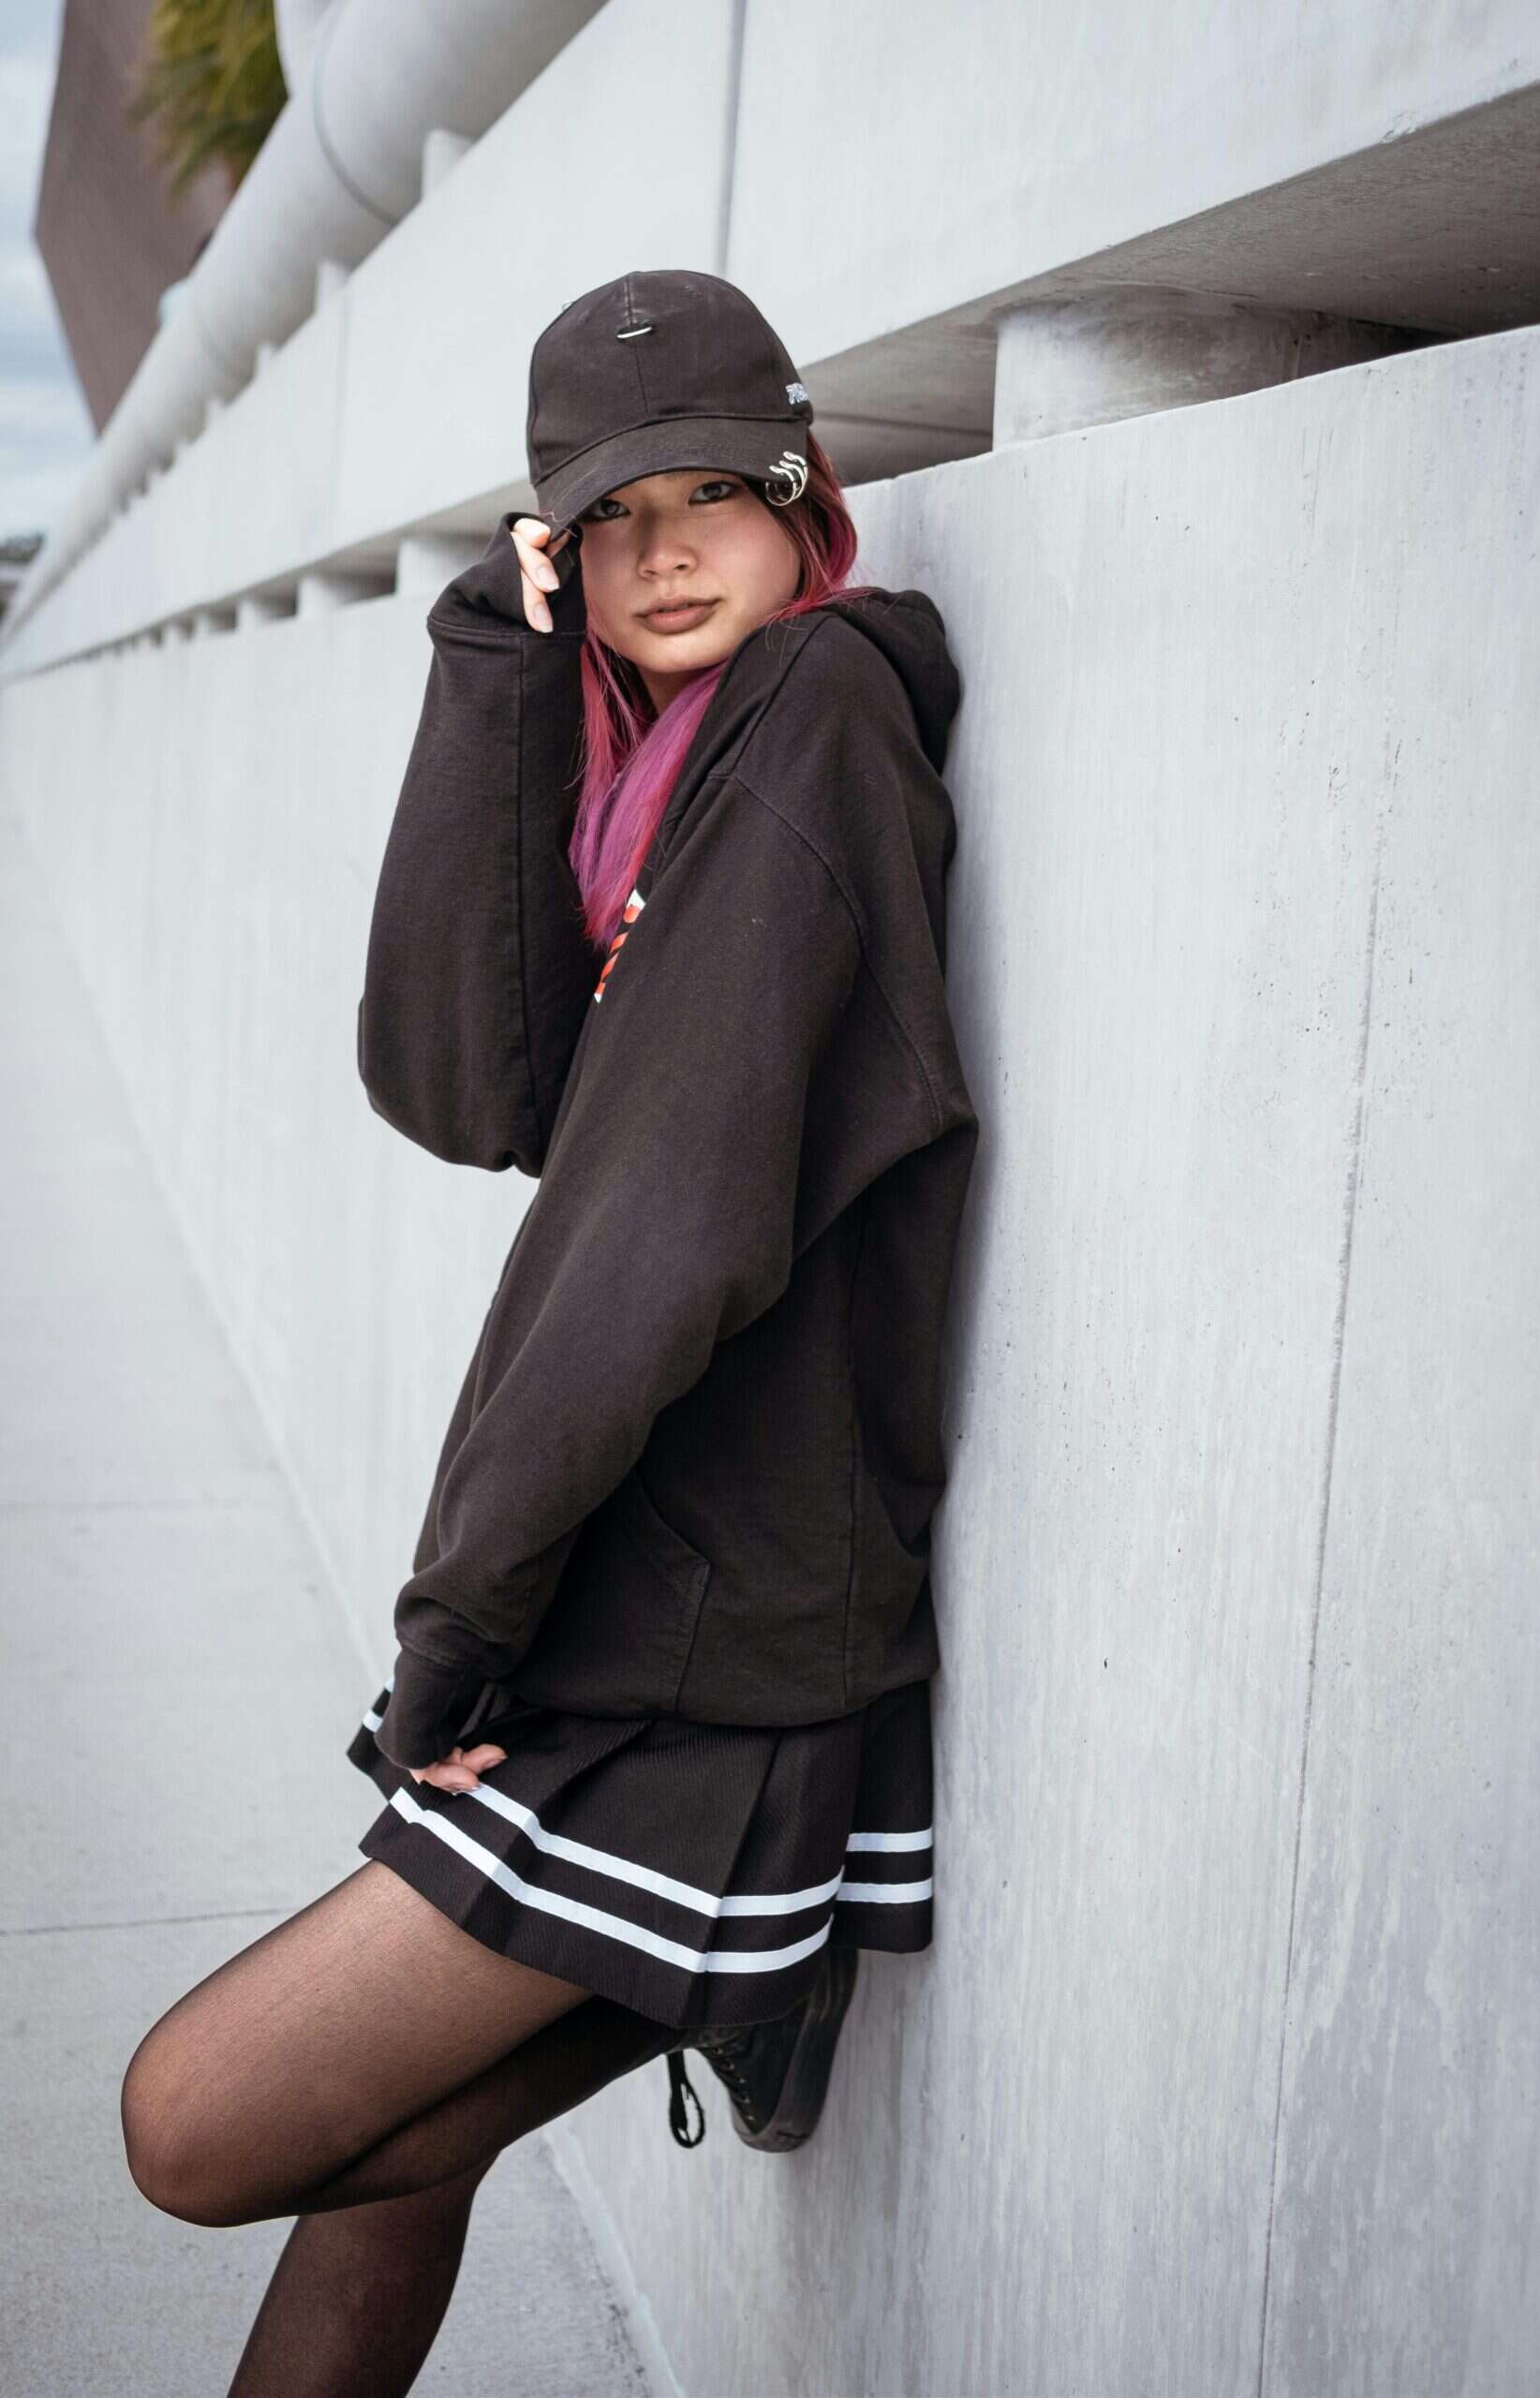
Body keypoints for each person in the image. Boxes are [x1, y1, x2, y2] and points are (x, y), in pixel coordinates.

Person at [119, 268, 979, 2392]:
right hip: (653, 1596)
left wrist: (447, 1645)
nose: (665, 550)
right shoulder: (647, 775)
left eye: (715, 494)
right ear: (557, 545)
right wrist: (497, 676)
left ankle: (723, 1970)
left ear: (809, 501)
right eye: (611, 519)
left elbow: (654, 1234)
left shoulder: (810, 721)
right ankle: (724, 1984)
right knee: (380, 2164)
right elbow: (458, 1084)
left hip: (710, 1642)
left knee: (195, 2118)